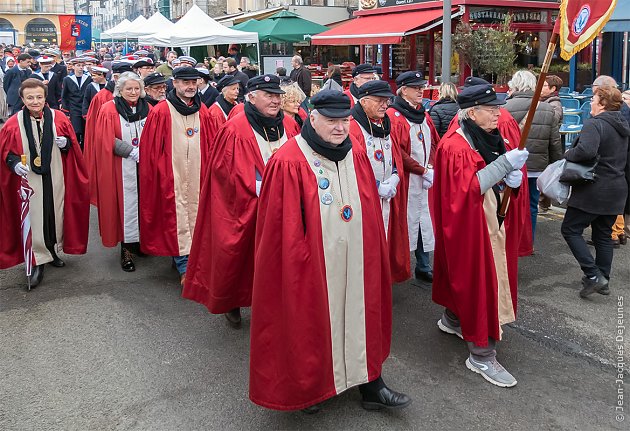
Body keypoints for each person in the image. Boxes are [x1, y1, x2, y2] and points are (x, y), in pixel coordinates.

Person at [249, 89, 411, 412]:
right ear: (312, 118)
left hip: (357, 259)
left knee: (362, 314)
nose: (340, 128)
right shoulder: (288, 161)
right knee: (310, 320)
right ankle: (310, 387)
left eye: (345, 121)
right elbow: (280, 231)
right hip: (313, 263)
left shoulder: (357, 155)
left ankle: (370, 383)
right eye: (332, 121)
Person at [182, 74, 301, 327]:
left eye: (277, 95)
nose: (275, 100)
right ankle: (232, 300)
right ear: (252, 97)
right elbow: (223, 172)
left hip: (283, 204)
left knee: (280, 255)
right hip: (247, 203)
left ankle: (276, 303)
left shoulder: (289, 125)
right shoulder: (235, 128)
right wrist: (258, 186)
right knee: (239, 254)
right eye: (268, 95)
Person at [434, 83, 530, 388]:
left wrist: (511, 181)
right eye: (491, 109)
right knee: (477, 279)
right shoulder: (455, 145)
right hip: (471, 223)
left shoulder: (489, 137)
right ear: (472, 112)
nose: (497, 114)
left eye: (497, 108)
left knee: (472, 276)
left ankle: (453, 319)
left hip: (490, 219)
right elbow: (466, 189)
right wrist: (504, 166)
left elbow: (491, 180)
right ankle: (481, 354)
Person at [0, 79, 89, 288]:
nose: (35, 101)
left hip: (56, 176)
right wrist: (13, 164)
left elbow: (73, 148)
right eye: (30, 97)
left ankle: (51, 250)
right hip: (29, 178)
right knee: (34, 217)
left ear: (45, 97)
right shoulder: (13, 123)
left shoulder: (59, 118)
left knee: (53, 213)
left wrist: (66, 143)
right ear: (22, 99)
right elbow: (4, 152)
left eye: (39, 97)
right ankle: (36, 259)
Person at [139, 67, 213, 286]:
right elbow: (150, 150)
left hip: (198, 175)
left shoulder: (204, 111)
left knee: (199, 216)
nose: (190, 87)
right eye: (185, 82)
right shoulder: (161, 111)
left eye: (194, 82)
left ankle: (195, 262)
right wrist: (161, 174)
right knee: (177, 217)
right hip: (171, 176)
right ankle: (184, 266)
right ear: (175, 83)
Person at [561, 85, 630, 298]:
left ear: (603, 103)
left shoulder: (595, 124)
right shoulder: (622, 125)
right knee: (602, 234)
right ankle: (603, 279)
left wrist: (568, 153)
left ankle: (593, 275)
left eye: (594, 98)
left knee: (570, 229)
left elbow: (586, 151)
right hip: (617, 187)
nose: (590, 102)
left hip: (594, 188)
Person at [349, 80, 408, 282]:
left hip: (386, 197)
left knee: (385, 239)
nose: (385, 105)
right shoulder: (353, 127)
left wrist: (394, 176)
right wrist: (376, 186)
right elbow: (351, 167)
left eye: (387, 100)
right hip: (364, 199)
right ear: (364, 101)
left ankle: (380, 279)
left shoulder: (383, 124)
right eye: (380, 100)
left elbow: (394, 156)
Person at [93, 72, 152, 272]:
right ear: (120, 90)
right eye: (129, 88)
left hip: (145, 165)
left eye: (136, 88)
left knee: (144, 204)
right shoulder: (109, 109)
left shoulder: (149, 108)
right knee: (124, 208)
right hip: (120, 167)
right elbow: (104, 137)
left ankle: (140, 242)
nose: (133, 92)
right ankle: (126, 249)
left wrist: (147, 151)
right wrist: (130, 151)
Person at [387, 71, 440, 282]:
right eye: (415, 88)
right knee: (403, 223)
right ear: (403, 90)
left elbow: (435, 142)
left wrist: (430, 165)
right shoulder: (394, 116)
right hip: (407, 180)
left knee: (423, 222)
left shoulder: (424, 115)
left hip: (424, 178)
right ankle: (399, 266)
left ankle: (423, 264)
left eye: (421, 87)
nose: (421, 91)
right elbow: (396, 151)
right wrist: (422, 170)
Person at [504, 70, 562, 244]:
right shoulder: (546, 108)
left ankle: (509, 241)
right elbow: (555, 142)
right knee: (532, 205)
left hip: (511, 166)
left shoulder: (504, 108)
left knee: (509, 204)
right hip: (537, 166)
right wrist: (556, 165)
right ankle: (527, 241)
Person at [84, 61, 131, 205]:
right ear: (116, 78)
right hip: (110, 149)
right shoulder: (102, 97)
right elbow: (95, 129)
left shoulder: (132, 95)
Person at [61, 58, 92, 147]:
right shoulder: (67, 79)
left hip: (85, 108)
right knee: (76, 131)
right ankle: (76, 148)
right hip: (74, 108)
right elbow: (64, 95)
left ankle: (85, 150)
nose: (81, 68)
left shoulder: (88, 78)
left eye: (82, 66)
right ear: (73, 67)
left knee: (86, 131)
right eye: (78, 66)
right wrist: (65, 110)